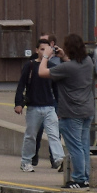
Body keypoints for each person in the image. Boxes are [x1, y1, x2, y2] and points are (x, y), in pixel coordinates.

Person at [40, 33, 95, 189]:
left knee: (75, 147)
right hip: (87, 110)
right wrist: (64, 56)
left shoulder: (67, 68)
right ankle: (85, 177)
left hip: (71, 112)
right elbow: (73, 64)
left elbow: (42, 72)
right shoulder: (88, 61)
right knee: (84, 146)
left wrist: (46, 56)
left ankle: (79, 179)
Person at [14, 34, 65, 173]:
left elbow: (56, 89)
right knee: (31, 135)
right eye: (42, 49)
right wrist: (18, 103)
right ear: (37, 50)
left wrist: (60, 107)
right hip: (33, 107)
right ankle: (26, 161)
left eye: (47, 49)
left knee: (54, 134)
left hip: (49, 107)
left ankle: (59, 158)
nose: (44, 52)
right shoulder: (30, 66)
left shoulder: (52, 67)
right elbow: (21, 85)